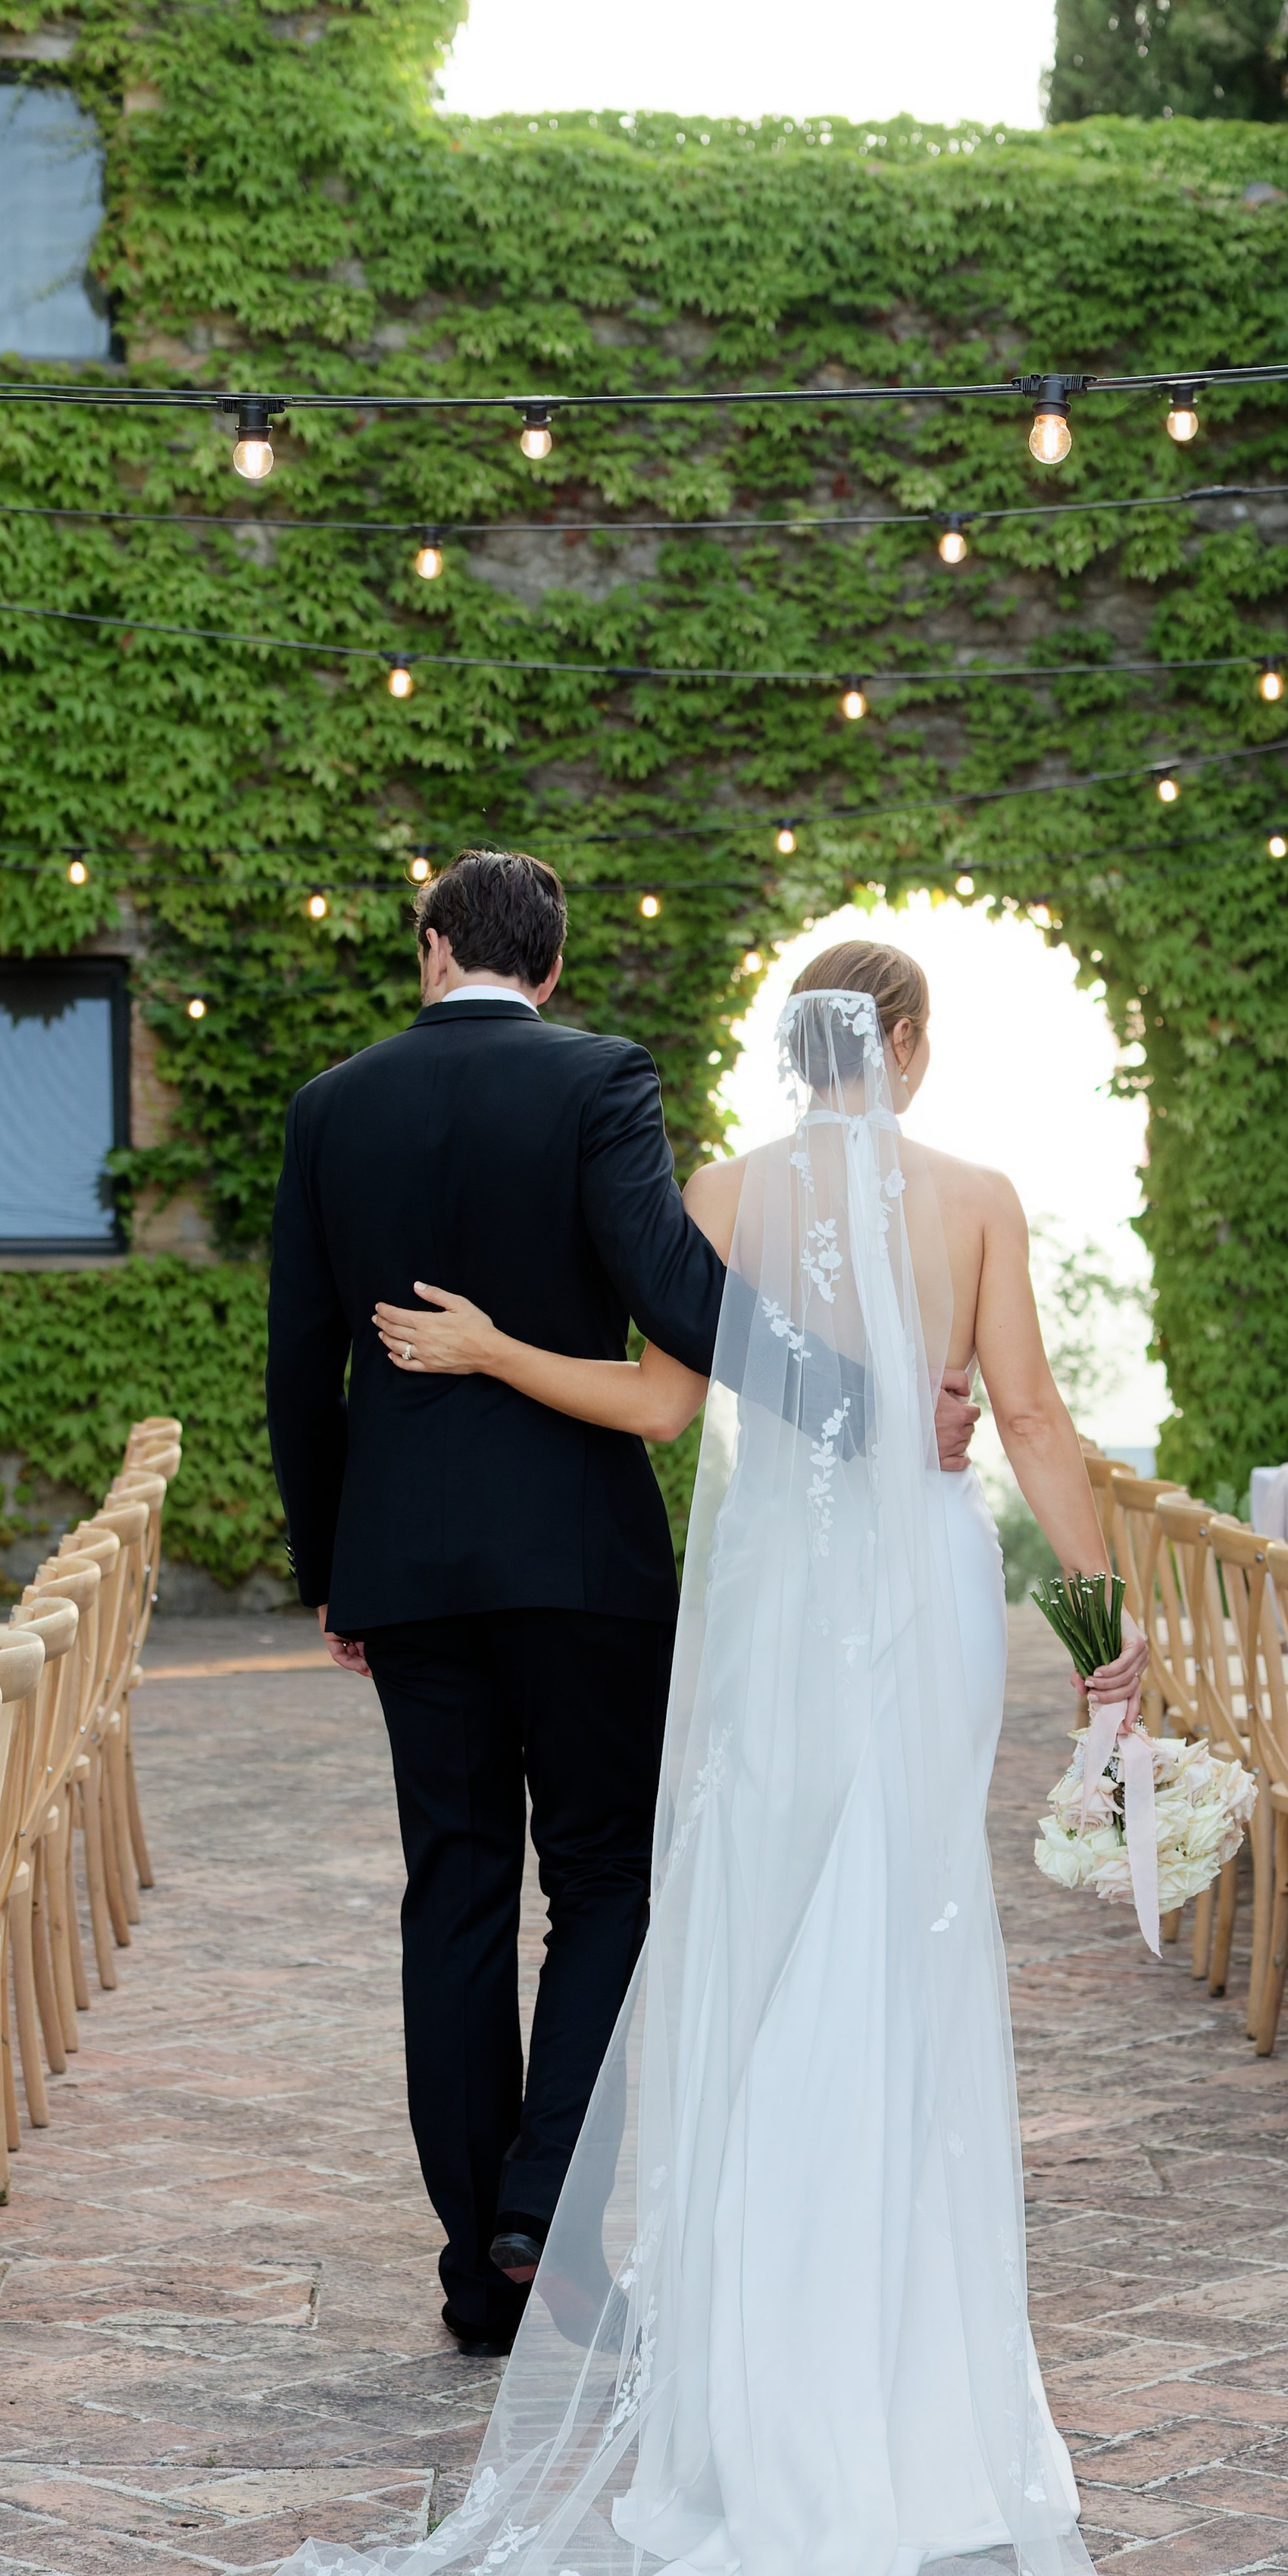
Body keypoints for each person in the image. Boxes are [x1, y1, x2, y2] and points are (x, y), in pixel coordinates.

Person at [241, 944, 1208, 2576]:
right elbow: (1031, 1420)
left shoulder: (719, 1195)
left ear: (793, 1048)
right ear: (901, 1045)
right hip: (920, 1598)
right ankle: (912, 2391)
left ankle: (755, 2373)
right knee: (904, 1928)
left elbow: (657, 1404)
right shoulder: (975, 1196)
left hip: (772, 1604)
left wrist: (487, 1349)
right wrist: (1098, 1619)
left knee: (766, 1949)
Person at [263, 862, 982, 2358]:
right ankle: (543, 2211)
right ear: (550, 965)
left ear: (433, 948)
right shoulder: (597, 1079)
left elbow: (299, 1360)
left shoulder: (331, 1107)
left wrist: (331, 1567)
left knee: (452, 1893)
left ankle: (483, 2279)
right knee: (601, 1883)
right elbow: (678, 1294)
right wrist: (861, 1406)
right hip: (581, 1565)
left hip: (408, 1569)